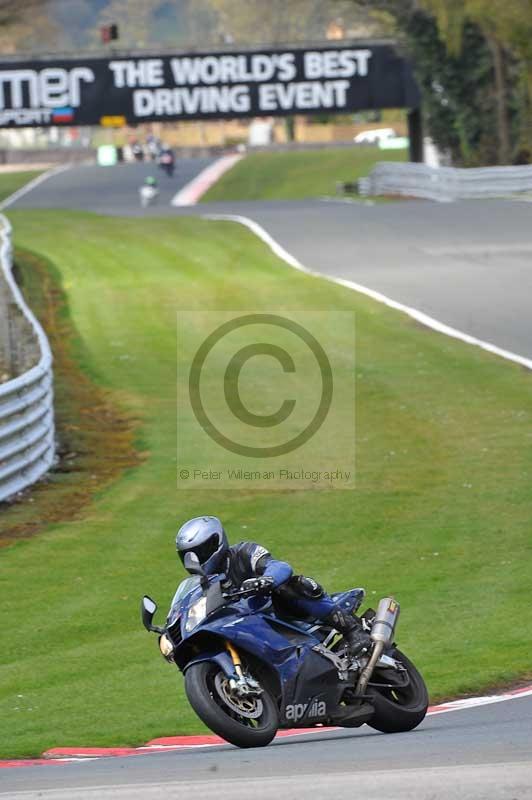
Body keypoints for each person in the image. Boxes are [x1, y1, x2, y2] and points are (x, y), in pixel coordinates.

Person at [175, 515, 370, 657]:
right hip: (251, 629)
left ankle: (352, 630)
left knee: (292, 586)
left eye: (199, 553)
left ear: (216, 542)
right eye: (188, 556)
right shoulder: (204, 586)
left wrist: (265, 580)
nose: (194, 560)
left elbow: (280, 567)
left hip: (281, 613)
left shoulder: (244, 552)